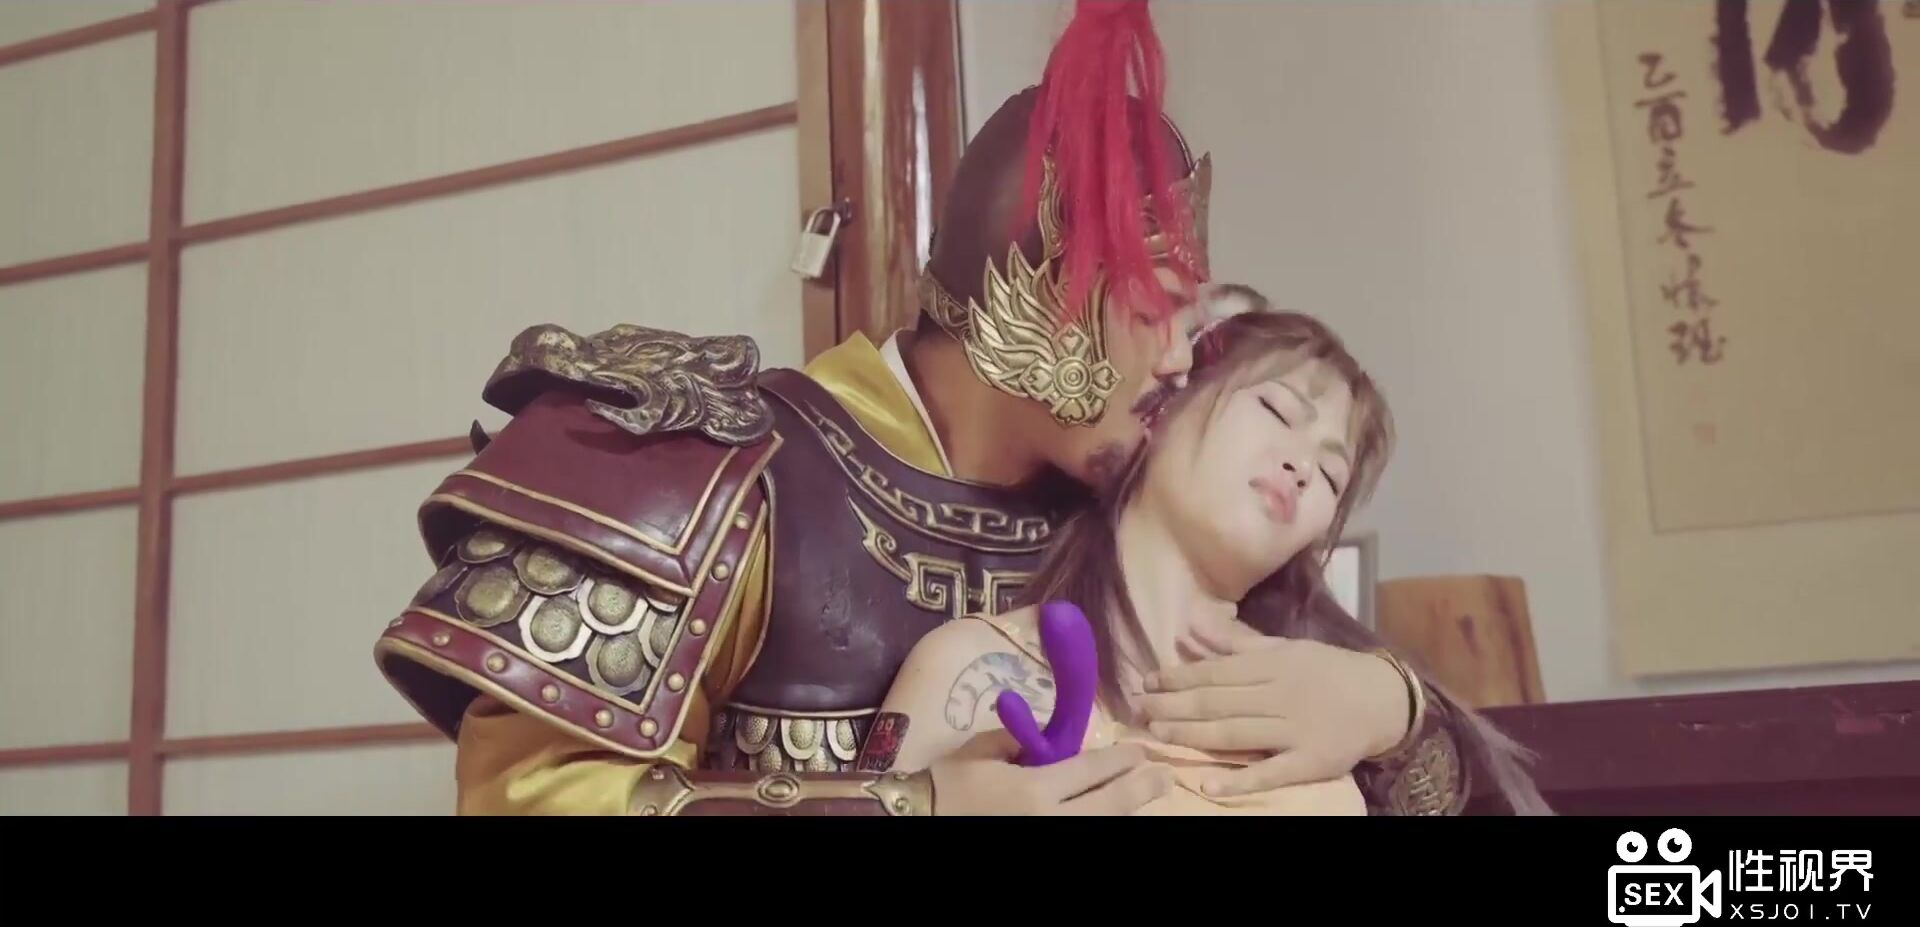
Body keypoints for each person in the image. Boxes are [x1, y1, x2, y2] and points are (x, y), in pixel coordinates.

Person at [372, 0, 1483, 816]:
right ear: (1047, 299)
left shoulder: (1146, 507)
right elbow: (526, 801)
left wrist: (1388, 705)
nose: (1182, 359)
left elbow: (1454, 787)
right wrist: (912, 806)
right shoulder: (711, 469)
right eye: (1158, 310)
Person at [875, 301, 1549, 815]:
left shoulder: (1331, 710)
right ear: (1163, 409)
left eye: (1332, 473)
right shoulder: (976, 669)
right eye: (1278, 410)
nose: (1302, 465)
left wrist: (1394, 706)